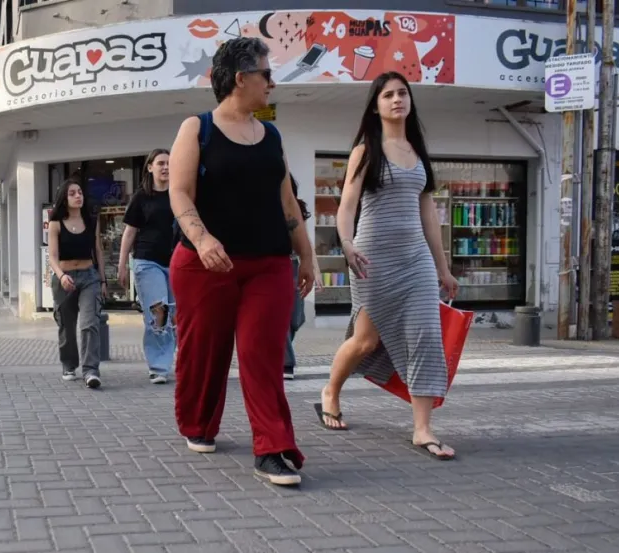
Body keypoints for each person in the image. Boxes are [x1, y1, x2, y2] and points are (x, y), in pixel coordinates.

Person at [168, 37, 321, 486]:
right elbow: (179, 192)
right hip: (204, 265)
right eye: (266, 74)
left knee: (262, 355)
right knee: (205, 352)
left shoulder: (272, 136)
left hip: (268, 264)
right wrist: (201, 238)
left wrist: (306, 255)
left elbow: (288, 202)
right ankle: (198, 423)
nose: (272, 83)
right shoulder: (197, 129)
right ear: (240, 78)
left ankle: (272, 448)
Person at [318, 71, 458, 461]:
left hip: (416, 260)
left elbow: (428, 214)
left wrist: (442, 268)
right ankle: (331, 391)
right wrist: (346, 244)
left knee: (426, 336)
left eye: (402, 93)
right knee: (365, 341)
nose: (397, 100)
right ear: (376, 105)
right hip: (372, 258)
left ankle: (423, 429)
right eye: (388, 95)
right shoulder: (366, 151)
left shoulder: (418, 152)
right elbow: (347, 206)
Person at [118, 148, 176, 385]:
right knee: (159, 313)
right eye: (160, 163)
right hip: (148, 261)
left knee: (175, 316)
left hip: (177, 262)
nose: (165, 167)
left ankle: (175, 361)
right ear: (150, 167)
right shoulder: (141, 197)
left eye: (169, 163)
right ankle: (159, 367)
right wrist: (122, 264)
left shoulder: (179, 193)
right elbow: (129, 232)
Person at [47, 178, 107, 389]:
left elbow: (98, 251)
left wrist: (102, 280)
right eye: (72, 193)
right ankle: (69, 364)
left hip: (89, 277)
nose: (78, 196)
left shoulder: (91, 221)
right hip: (64, 278)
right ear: (64, 198)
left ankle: (91, 371)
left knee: (90, 323)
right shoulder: (55, 223)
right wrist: (61, 276)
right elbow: (52, 256)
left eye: (80, 192)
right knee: (66, 325)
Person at [283, 174, 312, 380]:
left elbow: (306, 242)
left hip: (295, 264)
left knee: (296, 318)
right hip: (277, 265)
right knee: (282, 319)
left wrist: (312, 267)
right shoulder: (267, 207)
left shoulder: (298, 209)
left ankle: (279, 352)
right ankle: (286, 363)